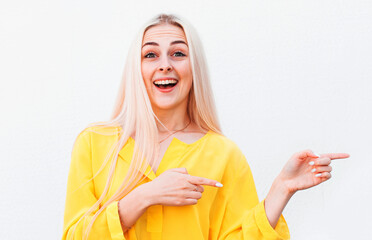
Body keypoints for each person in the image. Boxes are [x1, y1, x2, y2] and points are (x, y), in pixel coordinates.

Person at [62, 14, 350, 240]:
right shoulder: (94, 143)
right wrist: (145, 196)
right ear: (136, 69)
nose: (165, 65)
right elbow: (74, 237)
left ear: (193, 67)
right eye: (150, 55)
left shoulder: (223, 153)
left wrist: (281, 190)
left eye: (178, 53)